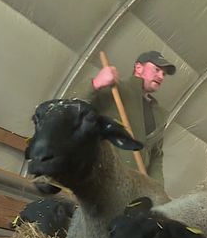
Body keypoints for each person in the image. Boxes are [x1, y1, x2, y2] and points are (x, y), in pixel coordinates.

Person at [70, 51, 176, 185]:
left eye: (164, 74)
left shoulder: (159, 115)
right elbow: (70, 108)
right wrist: (96, 83)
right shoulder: (116, 90)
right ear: (139, 68)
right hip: (103, 180)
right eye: (157, 69)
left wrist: (157, 189)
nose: (161, 76)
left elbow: (156, 156)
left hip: (134, 188)